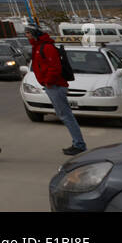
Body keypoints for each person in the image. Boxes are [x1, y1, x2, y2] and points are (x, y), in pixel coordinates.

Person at [28, 24, 86, 155]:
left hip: (55, 85)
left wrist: (48, 81)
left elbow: (54, 67)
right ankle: (78, 142)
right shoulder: (38, 47)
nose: (26, 35)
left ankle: (79, 144)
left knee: (66, 116)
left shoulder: (46, 47)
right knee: (64, 115)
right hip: (51, 85)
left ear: (34, 33)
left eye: (28, 33)